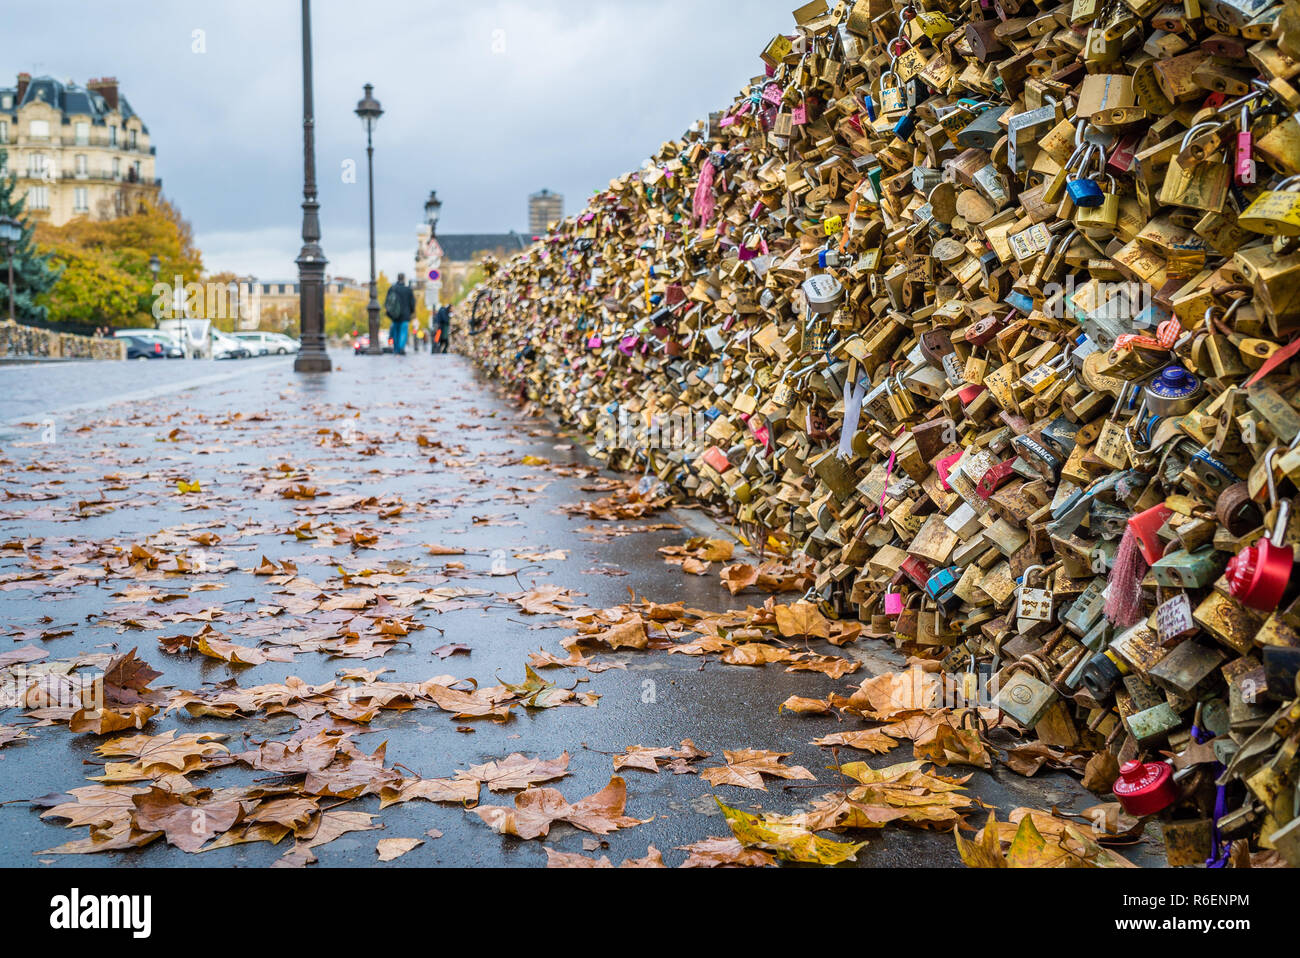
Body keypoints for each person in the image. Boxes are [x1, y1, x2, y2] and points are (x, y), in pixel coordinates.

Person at [384, 274, 416, 355]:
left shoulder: (392, 288)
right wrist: (411, 311)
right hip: (405, 315)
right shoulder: (408, 290)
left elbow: (387, 302)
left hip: (394, 315)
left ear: (397, 278)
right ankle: (401, 348)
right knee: (403, 332)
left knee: (395, 332)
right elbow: (412, 303)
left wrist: (389, 312)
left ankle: (396, 349)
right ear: (404, 279)